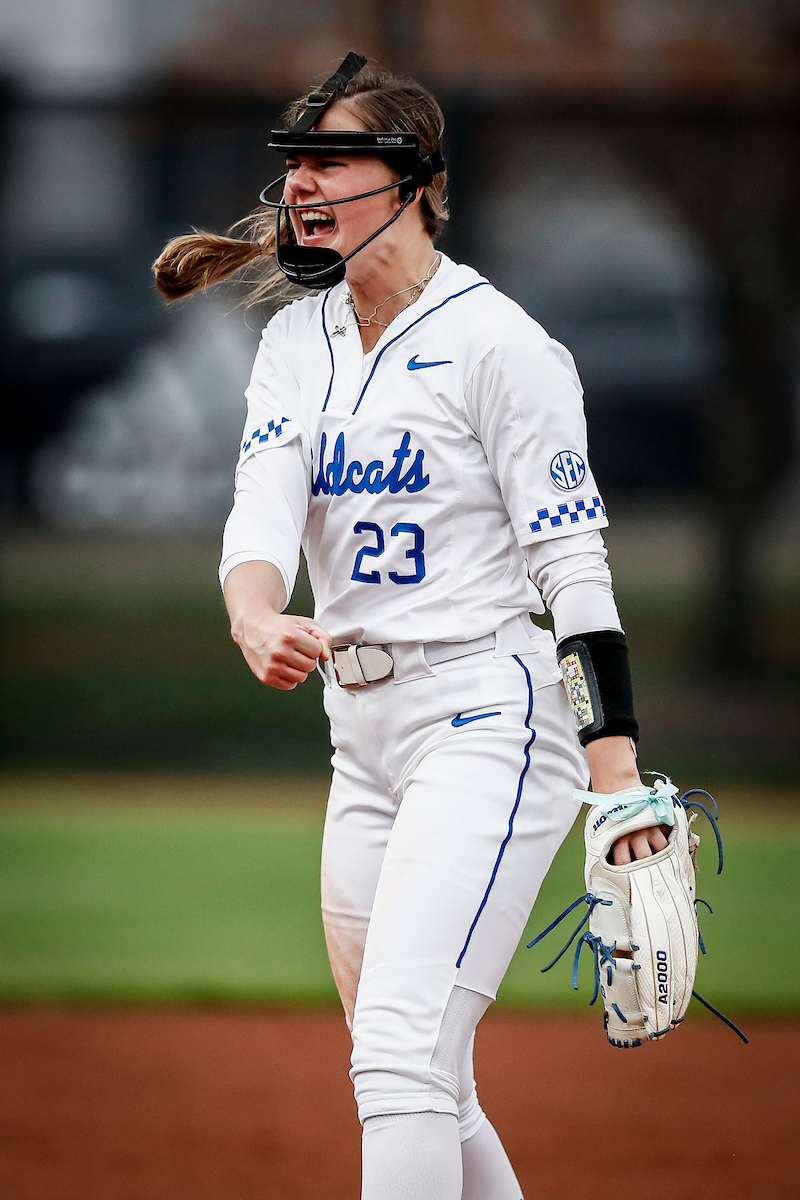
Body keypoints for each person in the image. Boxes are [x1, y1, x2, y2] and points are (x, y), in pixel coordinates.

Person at [154, 53, 668, 1200]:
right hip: (364, 736)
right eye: (294, 165)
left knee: (394, 1053)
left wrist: (615, 766)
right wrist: (251, 617)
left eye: (330, 161)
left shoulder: (504, 347)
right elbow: (261, 513)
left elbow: (570, 561)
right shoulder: (297, 341)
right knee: (421, 1072)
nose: (299, 185)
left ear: (415, 180)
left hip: (488, 716)